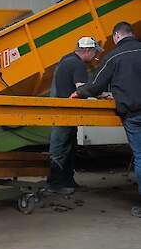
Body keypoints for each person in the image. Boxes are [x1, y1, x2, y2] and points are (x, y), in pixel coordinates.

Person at [71, 22, 141, 217]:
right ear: (132, 34)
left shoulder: (114, 56)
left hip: (134, 114)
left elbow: (96, 85)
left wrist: (79, 92)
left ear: (116, 36)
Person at [47, 36, 102, 194]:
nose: (95, 56)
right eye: (94, 52)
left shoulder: (66, 59)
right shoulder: (77, 65)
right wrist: (103, 94)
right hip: (65, 113)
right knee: (61, 148)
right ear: (87, 51)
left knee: (67, 147)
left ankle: (67, 181)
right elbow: (82, 89)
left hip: (62, 110)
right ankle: (56, 184)